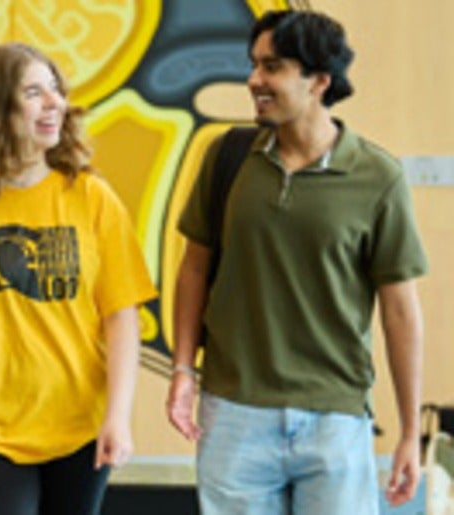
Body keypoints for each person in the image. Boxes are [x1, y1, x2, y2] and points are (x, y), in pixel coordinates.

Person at [166, 9, 427, 514]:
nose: (253, 80)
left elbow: (400, 311)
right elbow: (193, 269)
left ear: (319, 81)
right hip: (233, 413)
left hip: (334, 417)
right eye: (254, 64)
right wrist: (182, 371)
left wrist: (411, 432)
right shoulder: (228, 158)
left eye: (273, 67)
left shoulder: (378, 176)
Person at [0, 42, 157, 515]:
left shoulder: (91, 197)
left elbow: (122, 317)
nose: (54, 103)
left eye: (56, 91)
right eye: (34, 93)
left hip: (80, 426)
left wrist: (117, 418)